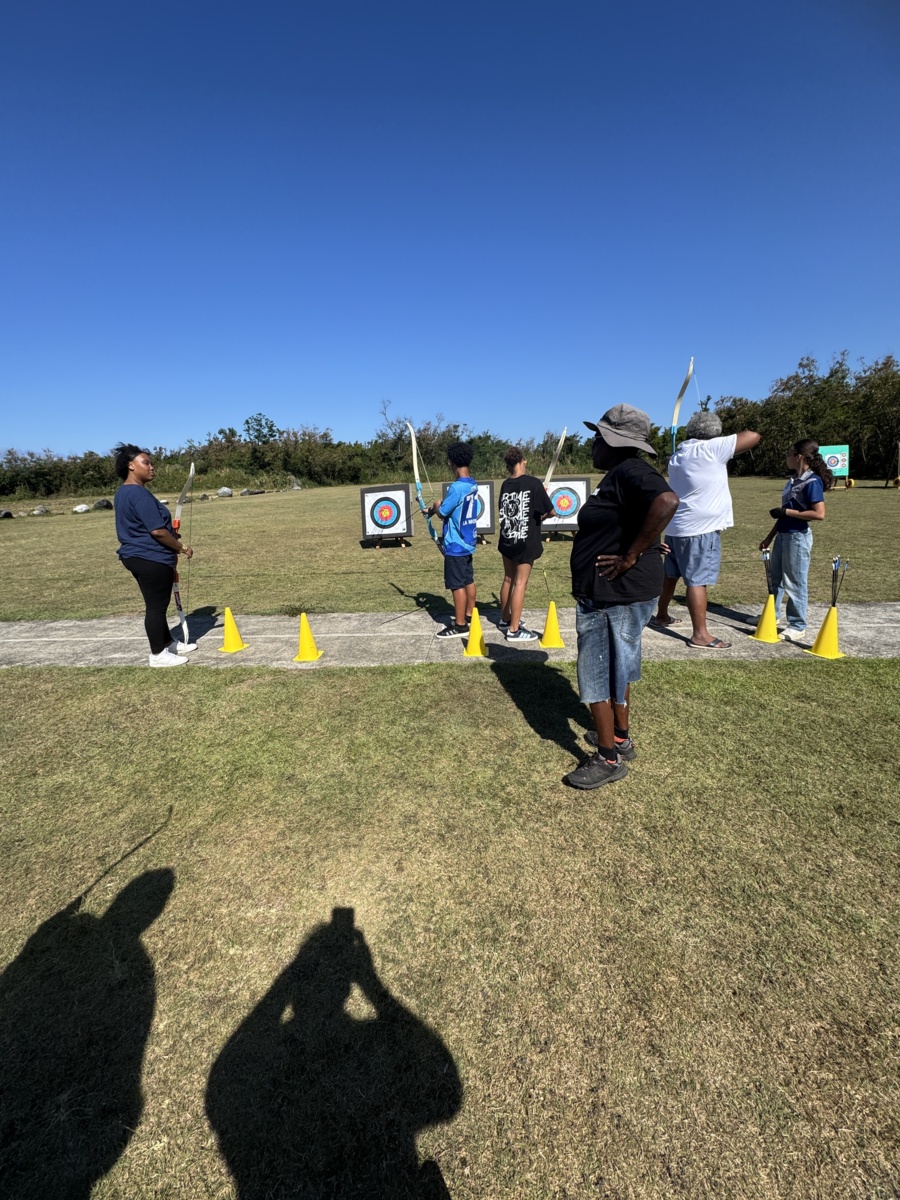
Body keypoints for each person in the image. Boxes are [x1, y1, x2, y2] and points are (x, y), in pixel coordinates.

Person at [566, 404, 679, 790]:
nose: (593, 444)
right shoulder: (622, 475)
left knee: (596, 670)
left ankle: (607, 758)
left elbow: (667, 502)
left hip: (612, 593)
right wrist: (645, 545)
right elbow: (638, 516)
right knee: (618, 665)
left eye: (597, 438)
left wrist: (632, 554)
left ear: (614, 442)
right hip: (615, 592)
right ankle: (620, 737)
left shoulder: (631, 470)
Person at [653, 412, 761, 648]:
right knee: (697, 580)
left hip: (676, 527)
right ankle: (700, 635)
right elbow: (753, 436)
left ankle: (661, 615)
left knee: (671, 575)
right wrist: (718, 441)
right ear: (714, 433)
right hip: (700, 529)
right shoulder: (711, 448)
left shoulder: (679, 454)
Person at [113, 443, 196, 666]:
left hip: (140, 556)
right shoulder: (138, 494)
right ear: (131, 466)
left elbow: (146, 526)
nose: (152, 467)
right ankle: (158, 654)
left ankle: (168, 642)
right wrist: (181, 547)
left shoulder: (124, 492)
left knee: (157, 604)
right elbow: (157, 531)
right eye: (146, 463)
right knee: (156, 607)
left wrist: (171, 535)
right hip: (150, 557)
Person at [759, 438, 832, 641]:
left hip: (797, 537)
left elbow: (819, 514)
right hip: (783, 536)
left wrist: (787, 512)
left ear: (799, 456)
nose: (786, 457)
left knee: (795, 581)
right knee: (775, 579)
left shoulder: (812, 481)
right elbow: (783, 515)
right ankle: (771, 616)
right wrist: (769, 537)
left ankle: (798, 625)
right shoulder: (793, 480)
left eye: (789, 454)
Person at [497, 446, 554, 642]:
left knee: (508, 579)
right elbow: (551, 512)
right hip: (525, 541)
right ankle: (514, 630)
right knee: (520, 582)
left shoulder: (505, 484)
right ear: (523, 460)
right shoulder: (533, 483)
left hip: (507, 538)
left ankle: (505, 619)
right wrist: (543, 511)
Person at [426, 442, 479, 639]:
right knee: (468, 579)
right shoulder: (472, 484)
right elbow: (452, 507)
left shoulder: (456, 488)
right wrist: (431, 510)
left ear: (452, 462)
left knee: (457, 584)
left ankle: (460, 624)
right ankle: (469, 614)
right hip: (467, 541)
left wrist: (436, 506)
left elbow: (443, 512)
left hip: (456, 544)